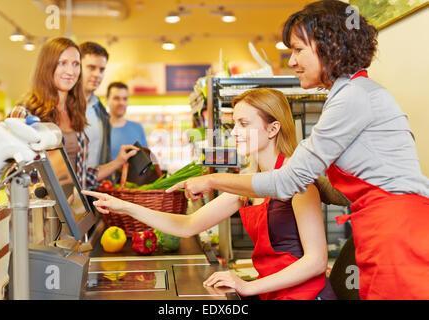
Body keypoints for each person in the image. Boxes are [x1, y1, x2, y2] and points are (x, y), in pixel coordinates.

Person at [167, 0, 429, 300]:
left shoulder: (352, 97)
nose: (291, 61)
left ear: (330, 45)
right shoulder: (349, 94)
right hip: (380, 232)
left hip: (397, 235)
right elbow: (340, 184)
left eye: (297, 49)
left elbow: (284, 182)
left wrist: (211, 180)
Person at [84, 88, 336, 300]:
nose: (234, 131)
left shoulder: (298, 181)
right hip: (273, 293)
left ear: (272, 129)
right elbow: (188, 225)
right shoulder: (248, 186)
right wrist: (124, 206)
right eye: (233, 123)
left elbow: (316, 261)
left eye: (244, 124)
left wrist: (248, 286)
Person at [8, 37, 138, 190]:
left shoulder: (76, 114)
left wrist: (118, 162)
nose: (70, 71)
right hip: (39, 213)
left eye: (75, 64)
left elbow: (80, 177)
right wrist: (41, 194)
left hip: (73, 211)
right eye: (62, 63)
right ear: (47, 66)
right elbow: (12, 179)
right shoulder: (23, 114)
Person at [79, 41, 112, 168]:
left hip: (93, 184)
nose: (97, 74)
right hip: (64, 185)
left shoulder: (101, 111)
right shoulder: (62, 106)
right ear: (78, 66)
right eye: (91, 68)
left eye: (102, 69)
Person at [107, 81, 148, 161]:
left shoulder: (138, 128)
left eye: (125, 99)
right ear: (107, 100)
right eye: (116, 98)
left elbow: (146, 160)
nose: (121, 103)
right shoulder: (99, 130)